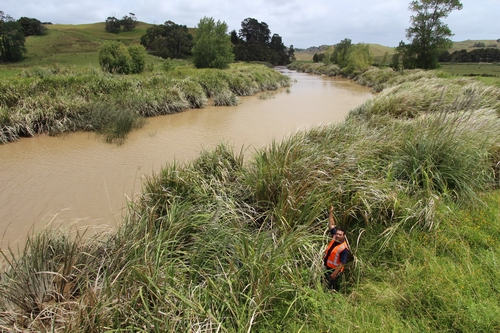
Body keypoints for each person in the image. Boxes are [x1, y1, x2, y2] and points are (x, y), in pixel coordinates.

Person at [323, 206, 350, 291]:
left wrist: (334, 273)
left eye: (340, 235)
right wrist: (331, 212)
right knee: (323, 284)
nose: (337, 236)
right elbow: (331, 225)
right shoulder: (335, 238)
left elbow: (342, 263)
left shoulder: (344, 248)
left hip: (334, 271)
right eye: (337, 234)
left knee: (331, 288)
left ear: (343, 236)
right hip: (327, 267)